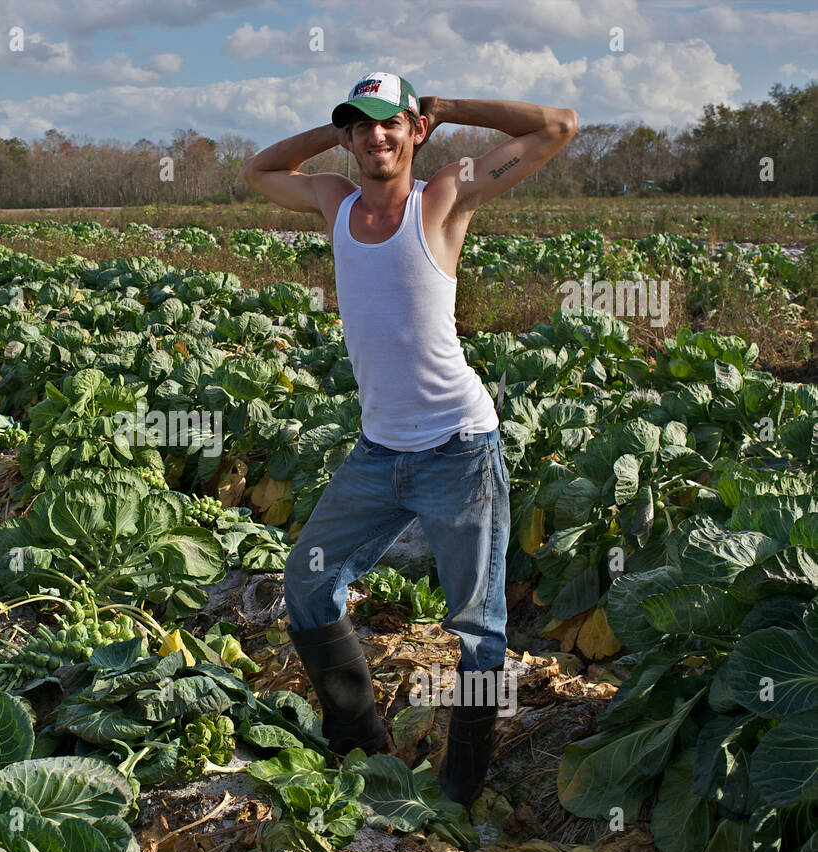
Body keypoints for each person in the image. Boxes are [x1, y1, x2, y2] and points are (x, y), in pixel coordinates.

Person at [242, 72, 577, 807]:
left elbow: (557, 126)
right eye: (359, 126)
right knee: (306, 582)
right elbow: (260, 171)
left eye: (390, 123)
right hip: (379, 453)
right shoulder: (334, 200)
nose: (375, 137)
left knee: (479, 629)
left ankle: (459, 796)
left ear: (413, 131)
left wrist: (450, 108)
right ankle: (365, 749)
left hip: (460, 450)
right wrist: (328, 134)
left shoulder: (445, 198)